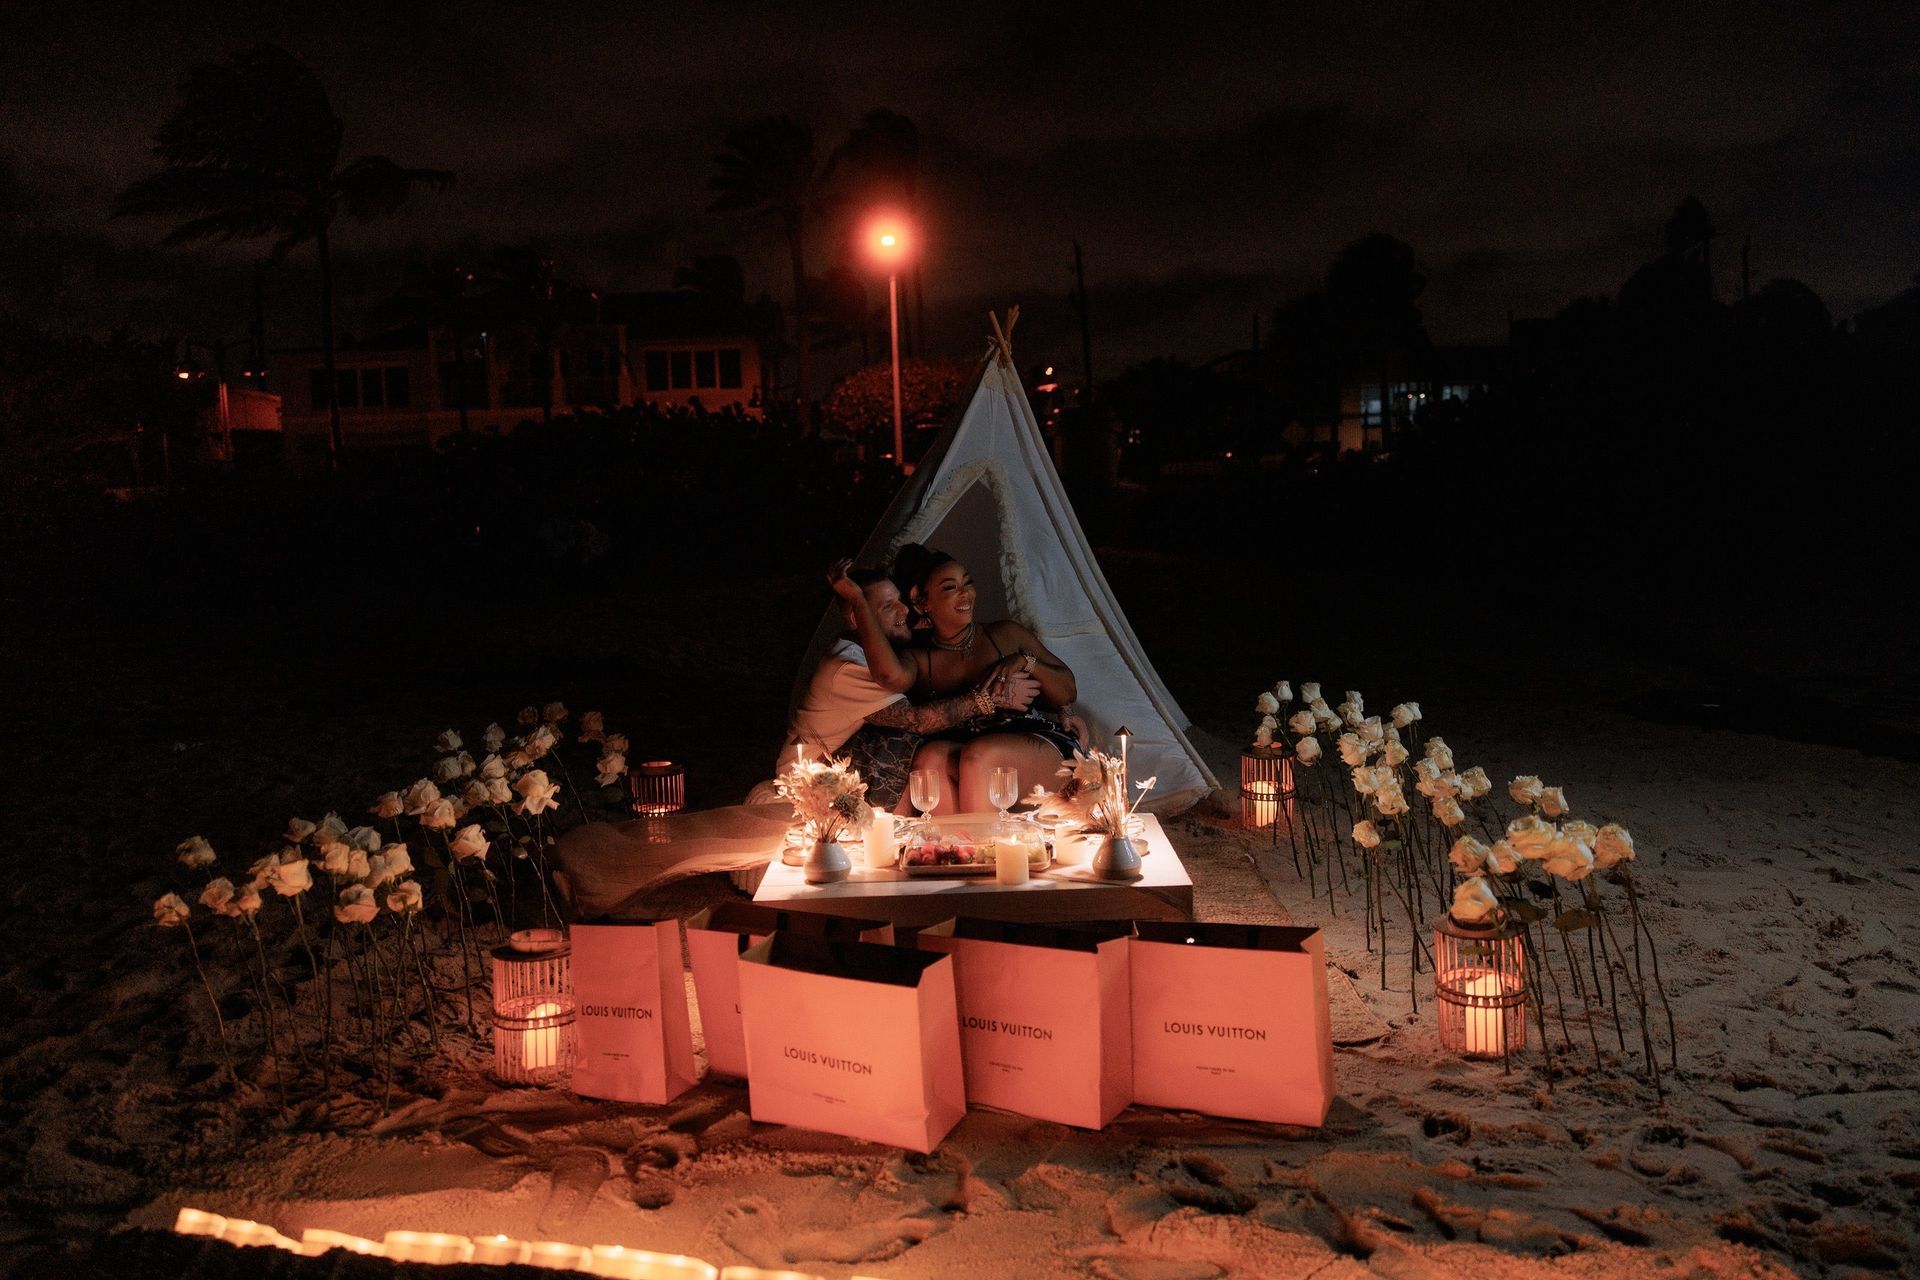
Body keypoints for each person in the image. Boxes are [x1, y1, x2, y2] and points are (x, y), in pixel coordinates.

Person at [776, 560, 1041, 813]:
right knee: (905, 737)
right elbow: (916, 721)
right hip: (811, 779)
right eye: (888, 606)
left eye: (900, 600)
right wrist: (993, 697)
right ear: (857, 618)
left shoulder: (878, 650)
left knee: (937, 750)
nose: (903, 610)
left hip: (841, 759)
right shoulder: (849, 666)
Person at [891, 542, 1084, 814]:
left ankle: (984, 839)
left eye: (967, 583)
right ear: (922, 602)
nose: (965, 593)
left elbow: (1068, 691)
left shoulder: (1004, 634)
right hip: (968, 749)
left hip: (1033, 743)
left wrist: (1027, 661)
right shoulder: (918, 658)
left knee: (979, 755)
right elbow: (913, 715)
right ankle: (957, 841)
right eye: (950, 587)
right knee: (929, 760)